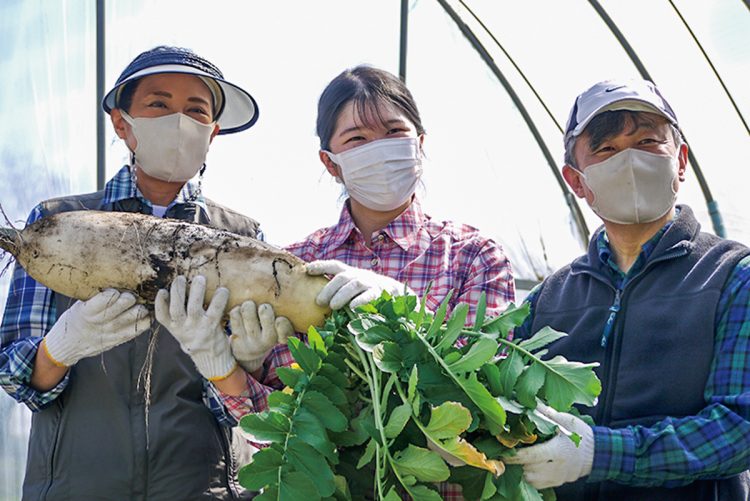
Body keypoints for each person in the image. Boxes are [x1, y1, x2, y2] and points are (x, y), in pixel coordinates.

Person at [219, 65, 516, 500]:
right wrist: (239, 367)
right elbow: (279, 432)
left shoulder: (474, 255)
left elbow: (490, 393)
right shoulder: (292, 266)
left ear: (420, 144)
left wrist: (405, 308)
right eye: (357, 139)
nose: (379, 149)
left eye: (395, 131)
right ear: (330, 162)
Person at [0, 45, 272, 501]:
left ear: (212, 133)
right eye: (159, 105)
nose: (179, 121)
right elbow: (13, 373)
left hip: (203, 488)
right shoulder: (57, 223)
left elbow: (257, 405)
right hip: (75, 488)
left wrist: (236, 363)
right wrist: (60, 347)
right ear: (122, 123)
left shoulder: (242, 238)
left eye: (195, 110)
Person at [505, 79, 750, 500]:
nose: (631, 161)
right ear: (576, 181)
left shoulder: (732, 276)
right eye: (607, 150)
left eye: (648, 141)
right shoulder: (548, 300)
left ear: (681, 161)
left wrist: (599, 453)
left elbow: (739, 427)